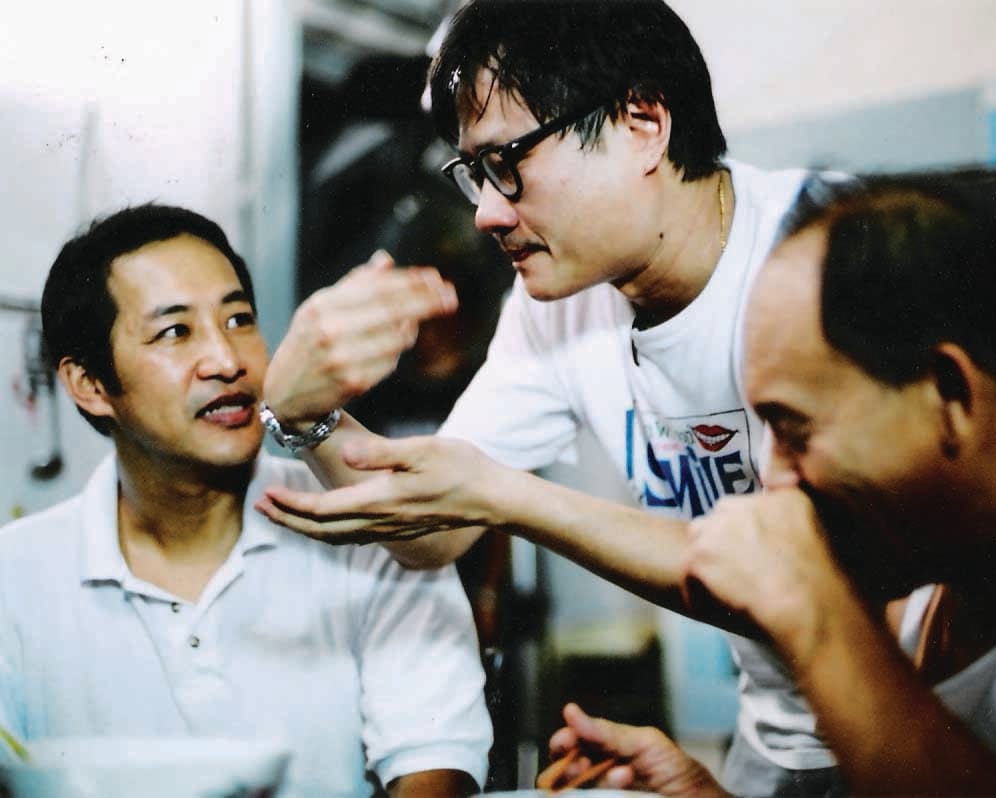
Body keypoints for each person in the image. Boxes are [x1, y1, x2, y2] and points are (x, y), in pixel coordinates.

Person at [254, 1, 844, 794]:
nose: (487, 212)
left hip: (944, 725)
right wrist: (302, 413)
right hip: (780, 741)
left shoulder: (824, 250)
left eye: (510, 161)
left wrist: (507, 498)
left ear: (642, 122)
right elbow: (430, 529)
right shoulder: (554, 307)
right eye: (473, 173)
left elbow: (795, 581)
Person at [537, 176, 996, 796]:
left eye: (795, 430)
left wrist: (815, 608)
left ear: (948, 393)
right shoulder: (927, 584)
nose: (774, 477)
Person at [0, 205, 492, 797]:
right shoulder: (18, 578)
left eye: (239, 320)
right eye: (175, 332)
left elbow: (435, 771)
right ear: (90, 385)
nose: (229, 361)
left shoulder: (372, 531)